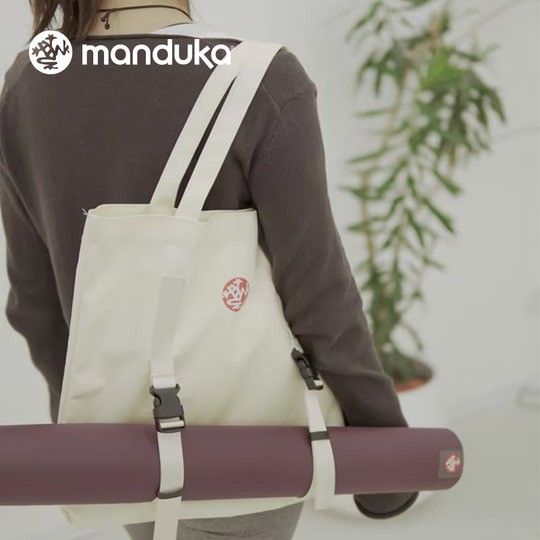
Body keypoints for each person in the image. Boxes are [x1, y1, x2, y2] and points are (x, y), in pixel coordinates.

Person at [0, 1, 419, 539]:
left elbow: (34, 305)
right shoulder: (262, 80)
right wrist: (386, 448)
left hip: (122, 452)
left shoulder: (29, 82)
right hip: (246, 451)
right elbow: (319, 297)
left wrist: (91, 430)